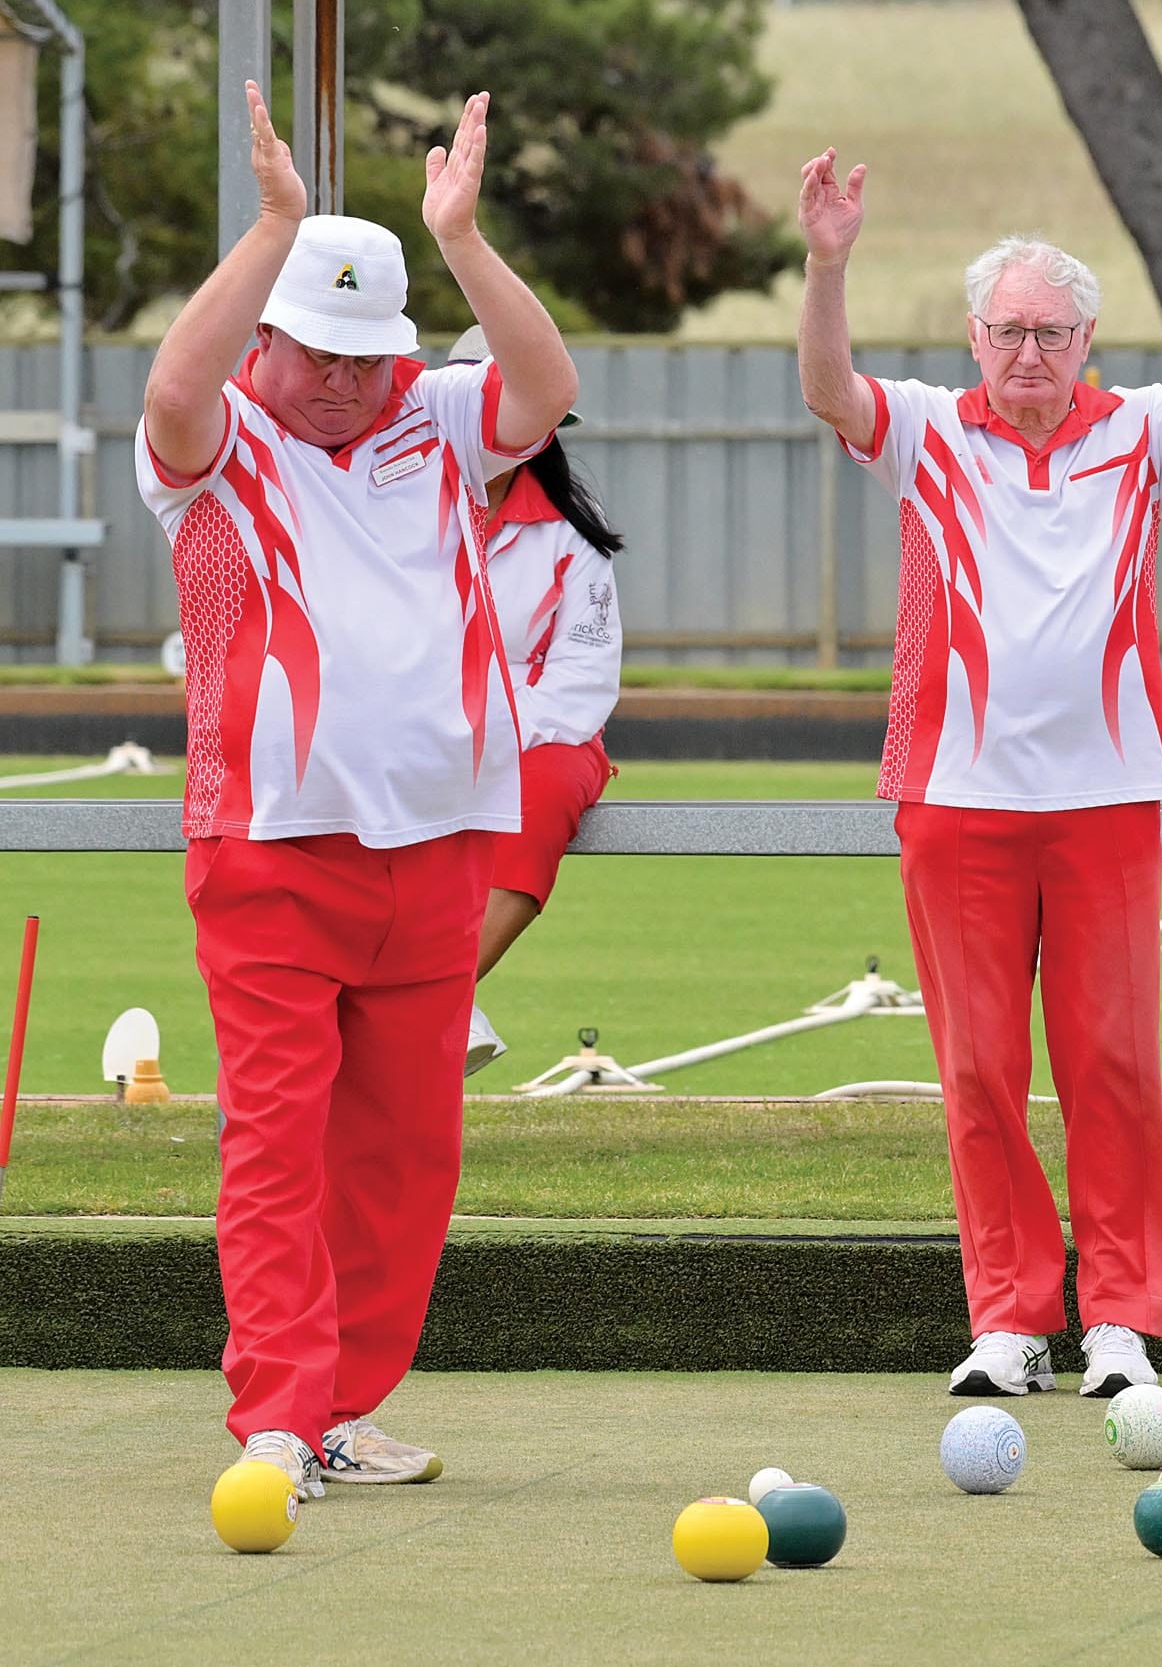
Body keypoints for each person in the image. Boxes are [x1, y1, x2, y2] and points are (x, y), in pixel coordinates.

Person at [134, 82, 578, 1498]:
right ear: (271, 333)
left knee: (405, 1158)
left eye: (362, 353)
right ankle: (276, 1410)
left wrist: (459, 234)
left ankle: (341, 1401)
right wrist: (273, 224)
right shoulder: (214, 446)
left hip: (439, 844)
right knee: (277, 1145)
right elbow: (169, 391)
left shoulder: (435, 413)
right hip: (269, 846)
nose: (340, 379)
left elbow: (547, 388)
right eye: (316, 350)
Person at [795, 147, 1162, 1399]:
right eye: (1007, 331)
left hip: (1108, 795)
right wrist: (828, 262)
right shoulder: (921, 430)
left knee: (1113, 1064)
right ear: (972, 337)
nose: (1027, 354)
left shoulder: (1142, 429)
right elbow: (825, 388)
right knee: (975, 1069)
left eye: (1051, 333)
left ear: (1086, 340)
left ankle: (1117, 1317)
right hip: (954, 798)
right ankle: (1009, 1317)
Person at [444, 325, 623, 1076]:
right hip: (425, 726)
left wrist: (497, 733)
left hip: (544, 738)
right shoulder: (390, 513)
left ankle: (427, 1000)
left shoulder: (572, 540)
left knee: (543, 786)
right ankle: (441, 1013)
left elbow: (584, 677)